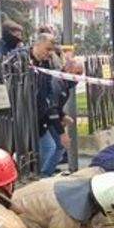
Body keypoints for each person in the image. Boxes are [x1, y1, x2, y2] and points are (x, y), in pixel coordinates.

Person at [32, 34, 70, 177]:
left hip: (41, 115)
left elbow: (47, 95)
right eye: (47, 49)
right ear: (38, 44)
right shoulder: (23, 59)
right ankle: (39, 175)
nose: (49, 53)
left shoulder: (45, 64)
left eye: (51, 50)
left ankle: (40, 175)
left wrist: (62, 115)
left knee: (50, 147)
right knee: (49, 147)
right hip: (26, 115)